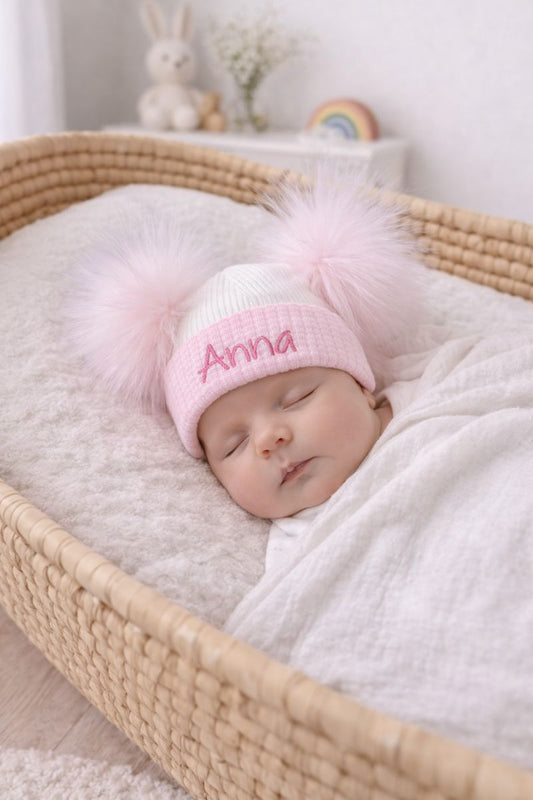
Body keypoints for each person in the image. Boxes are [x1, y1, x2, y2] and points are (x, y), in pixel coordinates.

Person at [66, 168, 421, 519]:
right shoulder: (299, 556)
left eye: (298, 398)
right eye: (233, 446)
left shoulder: (431, 397)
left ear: (362, 386)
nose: (267, 438)